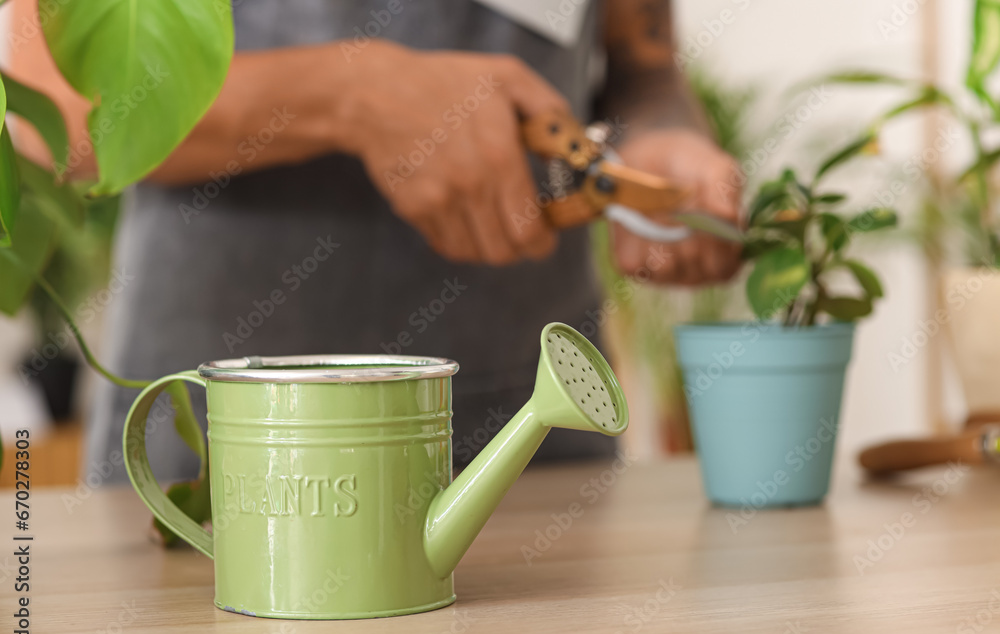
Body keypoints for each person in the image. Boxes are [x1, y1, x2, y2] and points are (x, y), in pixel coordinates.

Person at [10, 0, 741, 481]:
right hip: (218, 440)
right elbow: (56, 111)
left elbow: (644, 69)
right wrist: (353, 93)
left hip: (529, 430)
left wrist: (661, 137)